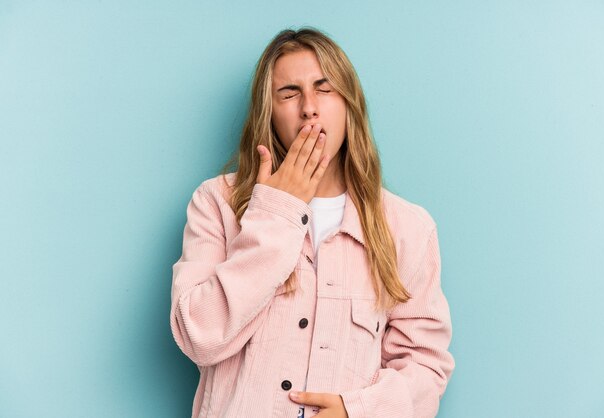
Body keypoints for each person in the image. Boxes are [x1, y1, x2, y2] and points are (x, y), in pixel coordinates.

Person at [170, 27, 455, 418]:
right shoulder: (216, 203)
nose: (309, 108)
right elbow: (197, 336)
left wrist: (357, 411)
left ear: (349, 103)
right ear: (268, 111)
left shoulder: (408, 228)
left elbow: (425, 366)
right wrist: (277, 212)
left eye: (325, 89)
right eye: (289, 93)